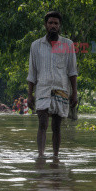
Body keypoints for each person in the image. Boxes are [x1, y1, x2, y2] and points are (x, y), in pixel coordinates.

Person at [27, 11, 78, 158]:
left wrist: (74, 92)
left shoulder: (68, 45)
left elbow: (72, 71)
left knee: (57, 127)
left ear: (59, 26)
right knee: (42, 123)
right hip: (42, 89)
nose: (53, 26)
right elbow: (32, 72)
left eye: (56, 23)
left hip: (61, 89)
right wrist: (29, 95)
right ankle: (41, 156)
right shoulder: (36, 45)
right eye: (50, 23)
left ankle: (56, 156)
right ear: (45, 25)